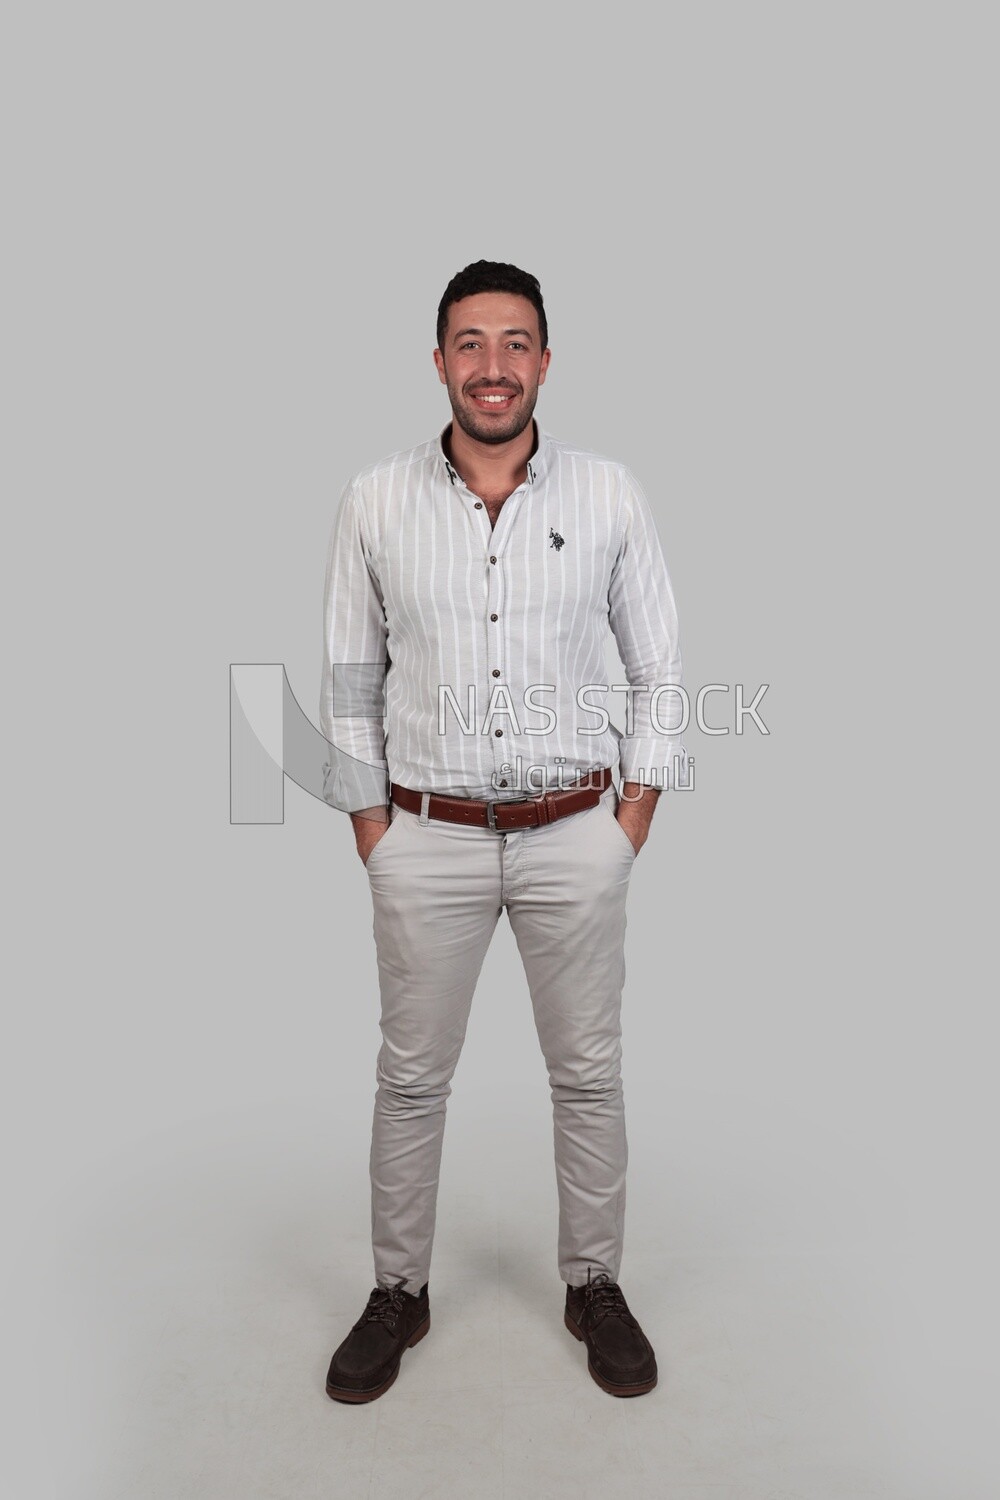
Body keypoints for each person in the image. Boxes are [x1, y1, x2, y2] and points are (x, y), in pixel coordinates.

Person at [319, 260, 686, 1403]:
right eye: (469, 343)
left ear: (543, 359)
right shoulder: (375, 499)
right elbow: (345, 677)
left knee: (587, 1074)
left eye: (515, 341)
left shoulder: (610, 494)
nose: (492, 365)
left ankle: (593, 1283)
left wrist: (628, 822)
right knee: (411, 1077)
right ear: (438, 362)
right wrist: (373, 826)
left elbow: (660, 667)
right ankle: (397, 1292)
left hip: (576, 829)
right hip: (421, 837)